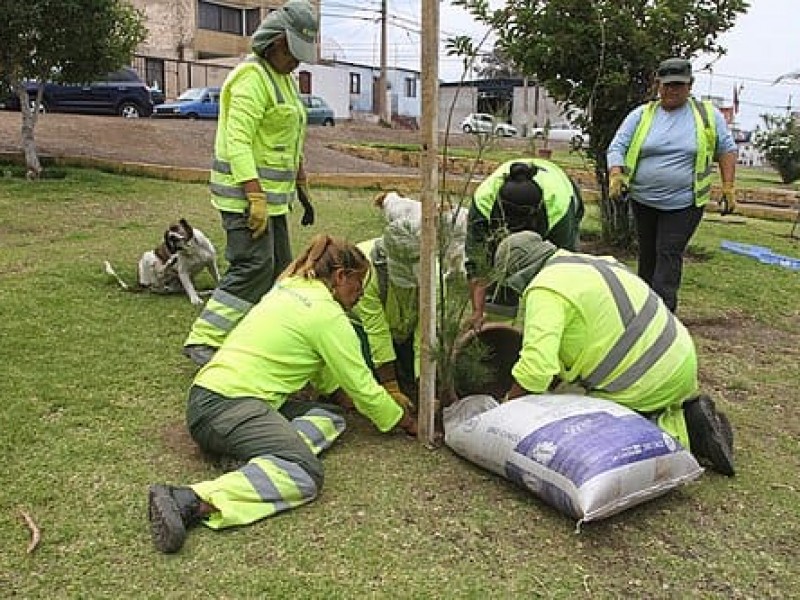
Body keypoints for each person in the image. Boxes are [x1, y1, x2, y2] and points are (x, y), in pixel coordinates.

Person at [149, 235, 418, 554]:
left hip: (213, 397)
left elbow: (327, 377)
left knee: (329, 418)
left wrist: (353, 402)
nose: (360, 294)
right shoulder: (327, 315)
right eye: (358, 284)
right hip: (226, 408)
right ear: (340, 276)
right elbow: (362, 385)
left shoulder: (289, 289)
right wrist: (406, 421)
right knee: (304, 473)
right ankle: (190, 500)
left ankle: (253, 457)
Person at [493, 230, 735, 476]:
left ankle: (685, 434)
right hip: (680, 360)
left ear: (518, 275)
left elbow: (536, 369)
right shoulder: (591, 262)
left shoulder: (545, 289)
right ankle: (684, 414)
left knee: (578, 437)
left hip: (645, 382)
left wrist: (505, 413)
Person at [183, 0, 318, 367]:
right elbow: (237, 141)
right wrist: (254, 196)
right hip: (245, 197)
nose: (297, 61)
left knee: (280, 269)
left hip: (273, 199)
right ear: (275, 42)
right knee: (251, 267)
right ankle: (204, 339)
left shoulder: (283, 80)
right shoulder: (251, 77)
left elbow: (286, 135)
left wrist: (300, 182)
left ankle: (259, 338)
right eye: (293, 52)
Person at [607, 57, 738, 313]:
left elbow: (727, 149)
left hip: (684, 203)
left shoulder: (707, 116)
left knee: (668, 253)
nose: (671, 90)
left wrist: (729, 187)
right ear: (658, 85)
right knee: (648, 255)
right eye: (666, 85)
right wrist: (615, 174)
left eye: (678, 85)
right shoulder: (642, 115)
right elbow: (618, 146)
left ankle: (664, 315)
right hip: (643, 200)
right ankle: (641, 311)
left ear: (690, 85)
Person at [465, 158, 584, 329]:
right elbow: (477, 264)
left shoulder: (558, 211)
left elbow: (563, 267)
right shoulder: (483, 205)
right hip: (500, 213)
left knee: (551, 280)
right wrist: (477, 312)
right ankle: (499, 335)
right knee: (502, 276)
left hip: (562, 193)